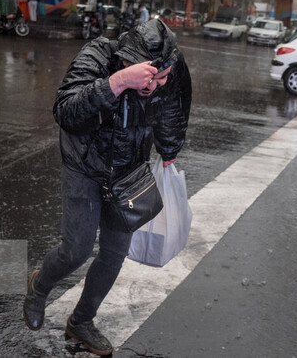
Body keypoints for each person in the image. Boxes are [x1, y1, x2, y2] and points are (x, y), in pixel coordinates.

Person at [23, 19, 192, 356]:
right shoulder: (99, 55)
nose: (152, 85)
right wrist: (116, 83)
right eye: (146, 75)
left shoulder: (172, 69)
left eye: (160, 78)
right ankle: (39, 285)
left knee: (115, 253)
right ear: (127, 58)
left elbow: (174, 109)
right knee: (77, 250)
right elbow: (66, 112)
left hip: (129, 169)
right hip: (83, 164)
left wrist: (169, 151)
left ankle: (82, 321)